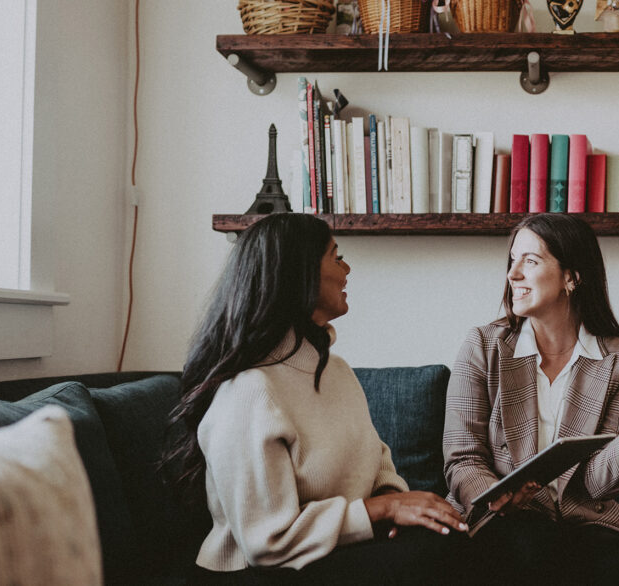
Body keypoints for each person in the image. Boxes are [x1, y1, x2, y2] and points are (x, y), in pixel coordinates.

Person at [162, 214, 468, 585]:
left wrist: (396, 508)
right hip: (260, 572)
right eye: (336, 256)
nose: (347, 269)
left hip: (337, 554)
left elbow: (377, 461)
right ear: (299, 274)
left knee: (451, 537)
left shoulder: (336, 372)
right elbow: (267, 543)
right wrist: (380, 509)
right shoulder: (249, 392)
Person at [443, 213, 619, 585]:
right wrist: (493, 497)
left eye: (529, 261)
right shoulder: (484, 347)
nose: (512, 274)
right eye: (512, 260)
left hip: (585, 522)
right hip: (502, 521)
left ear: (572, 276)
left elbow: (597, 483)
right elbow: (462, 457)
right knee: (529, 549)